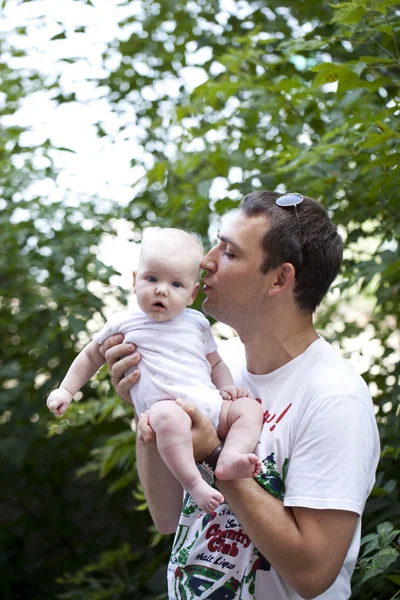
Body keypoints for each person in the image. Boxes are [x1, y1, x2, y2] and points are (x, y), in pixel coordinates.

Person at [99, 191, 380, 600]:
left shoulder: (335, 399)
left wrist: (214, 452)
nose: (206, 261)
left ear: (280, 279)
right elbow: (166, 516)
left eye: (229, 253)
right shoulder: (213, 368)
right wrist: (148, 413)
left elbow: (314, 573)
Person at [47, 227, 263, 513]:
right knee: (166, 418)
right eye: (152, 278)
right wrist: (66, 389)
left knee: (249, 408)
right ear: (135, 281)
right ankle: (194, 483)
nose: (161, 289)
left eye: (176, 284)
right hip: (167, 410)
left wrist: (226, 387)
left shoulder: (197, 323)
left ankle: (230, 455)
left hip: (210, 403)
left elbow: (216, 363)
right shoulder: (124, 323)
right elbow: (89, 356)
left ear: (192, 293)